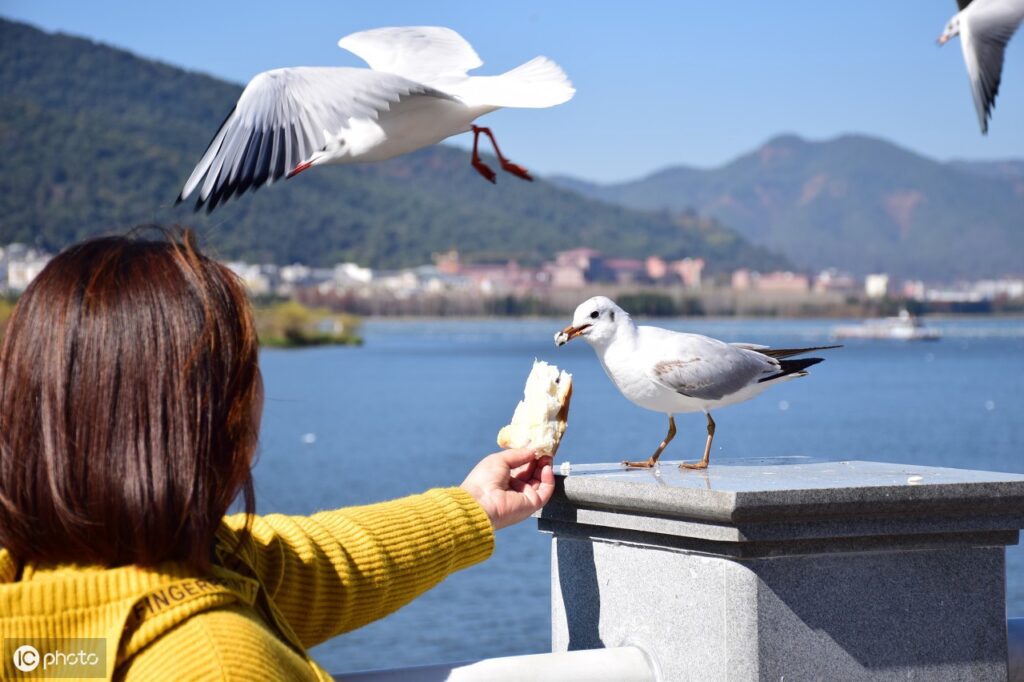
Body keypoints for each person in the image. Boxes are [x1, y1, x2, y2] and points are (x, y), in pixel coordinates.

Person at [0, 230, 555, 680]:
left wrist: (471, 507)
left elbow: (324, 561)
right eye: (248, 368)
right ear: (207, 417)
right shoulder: (217, 661)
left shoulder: (44, 603)